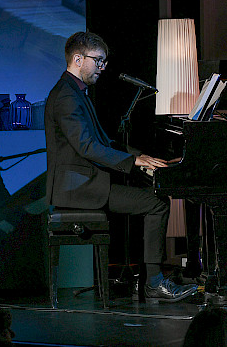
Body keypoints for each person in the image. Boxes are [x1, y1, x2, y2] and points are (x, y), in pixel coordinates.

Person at [44, 31, 199, 302]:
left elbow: (103, 141)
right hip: (78, 189)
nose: (103, 67)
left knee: (153, 196)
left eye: (103, 62)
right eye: (98, 61)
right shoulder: (66, 96)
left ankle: (150, 279)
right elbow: (87, 147)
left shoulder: (74, 91)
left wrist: (140, 156)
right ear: (78, 59)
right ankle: (154, 284)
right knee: (157, 204)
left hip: (86, 182)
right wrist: (134, 162)